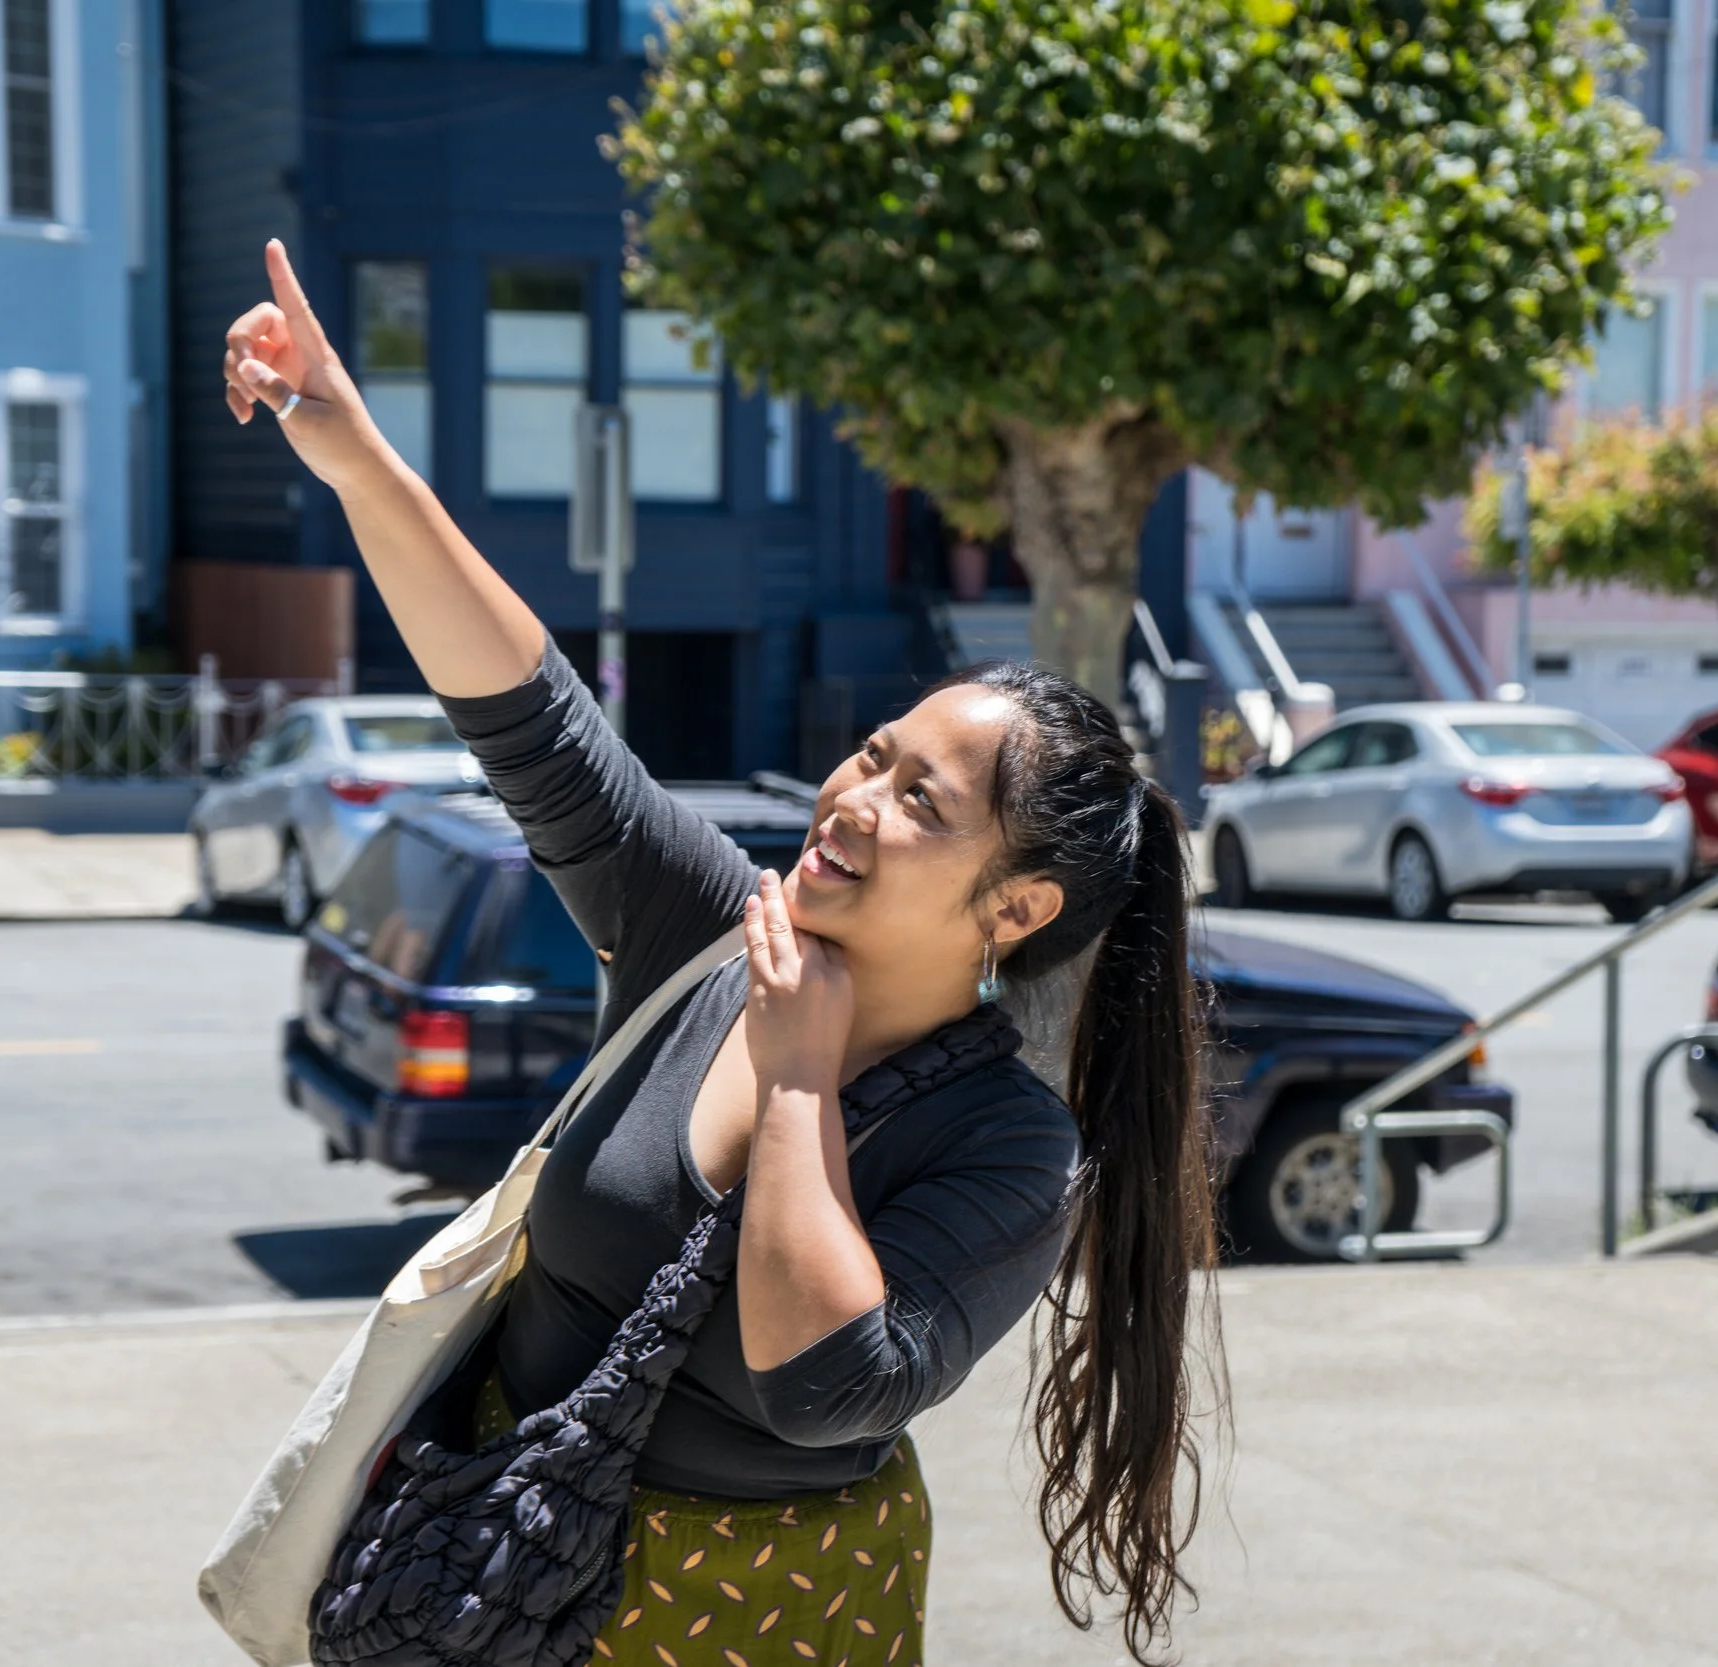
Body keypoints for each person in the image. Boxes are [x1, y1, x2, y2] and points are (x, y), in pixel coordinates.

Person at [222, 240, 1215, 1665]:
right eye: (872, 756)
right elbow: (537, 720)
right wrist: (356, 452)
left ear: (1016, 909)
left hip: (764, 1621)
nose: (855, 801)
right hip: (486, 1564)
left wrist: (803, 1077)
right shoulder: (707, 928)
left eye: (921, 801)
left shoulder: (1011, 1148)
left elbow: (822, 1382)